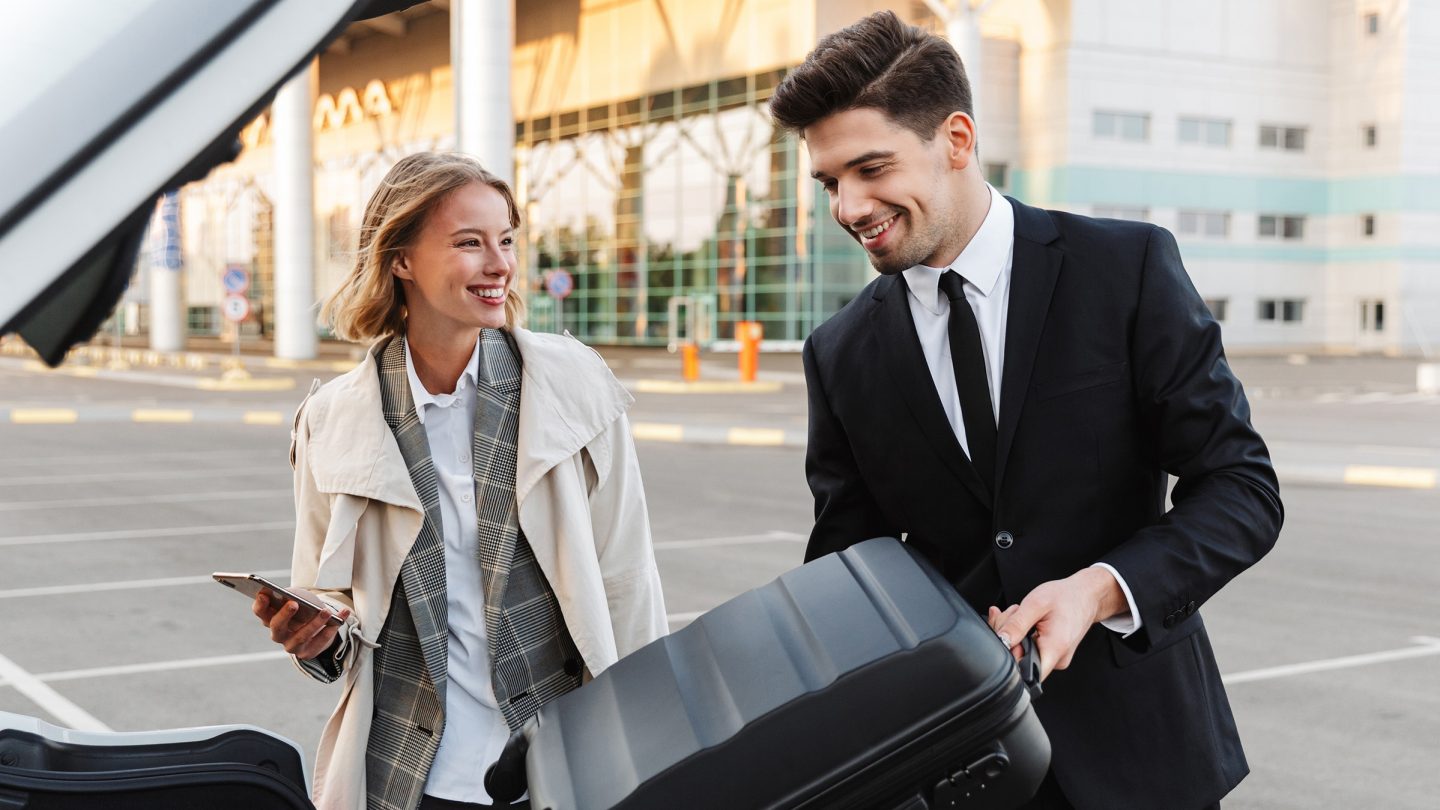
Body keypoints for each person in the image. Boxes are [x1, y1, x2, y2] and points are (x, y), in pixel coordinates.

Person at [770, 11, 1282, 810]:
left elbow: (1243, 490)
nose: (848, 205)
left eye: (871, 168)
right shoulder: (839, 352)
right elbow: (853, 570)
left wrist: (1099, 590)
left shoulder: (1126, 270)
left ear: (958, 139)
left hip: (1144, 759)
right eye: (830, 181)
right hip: (962, 766)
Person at [252, 152, 667, 810]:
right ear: (401, 260)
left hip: (561, 766)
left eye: (505, 240)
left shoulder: (572, 386)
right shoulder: (331, 421)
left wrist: (653, 748)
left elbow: (628, 581)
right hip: (410, 779)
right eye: (470, 243)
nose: (500, 263)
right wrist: (314, 637)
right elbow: (327, 608)